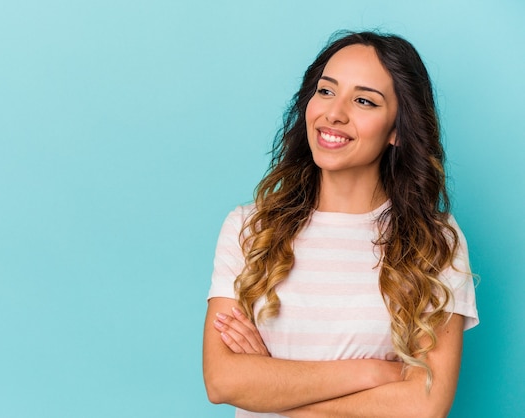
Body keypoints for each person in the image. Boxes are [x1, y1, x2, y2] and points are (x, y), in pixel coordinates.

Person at [202, 30, 478, 418]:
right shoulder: (250, 229)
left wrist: (274, 387)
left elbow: (423, 406)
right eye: (327, 91)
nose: (335, 113)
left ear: (398, 129)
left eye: (364, 100)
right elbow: (223, 381)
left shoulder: (435, 242)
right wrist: (373, 373)